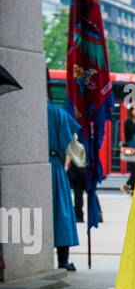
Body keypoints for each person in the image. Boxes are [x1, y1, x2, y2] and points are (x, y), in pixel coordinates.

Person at [46, 69, 84, 272]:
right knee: (62, 213)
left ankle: (30, 257)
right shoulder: (59, 114)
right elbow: (76, 149)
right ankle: (63, 260)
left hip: (33, 168)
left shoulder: (25, 112)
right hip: (55, 167)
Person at [121, 102, 135, 194]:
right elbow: (132, 131)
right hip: (132, 149)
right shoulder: (128, 122)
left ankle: (130, 188)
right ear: (131, 111)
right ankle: (130, 187)